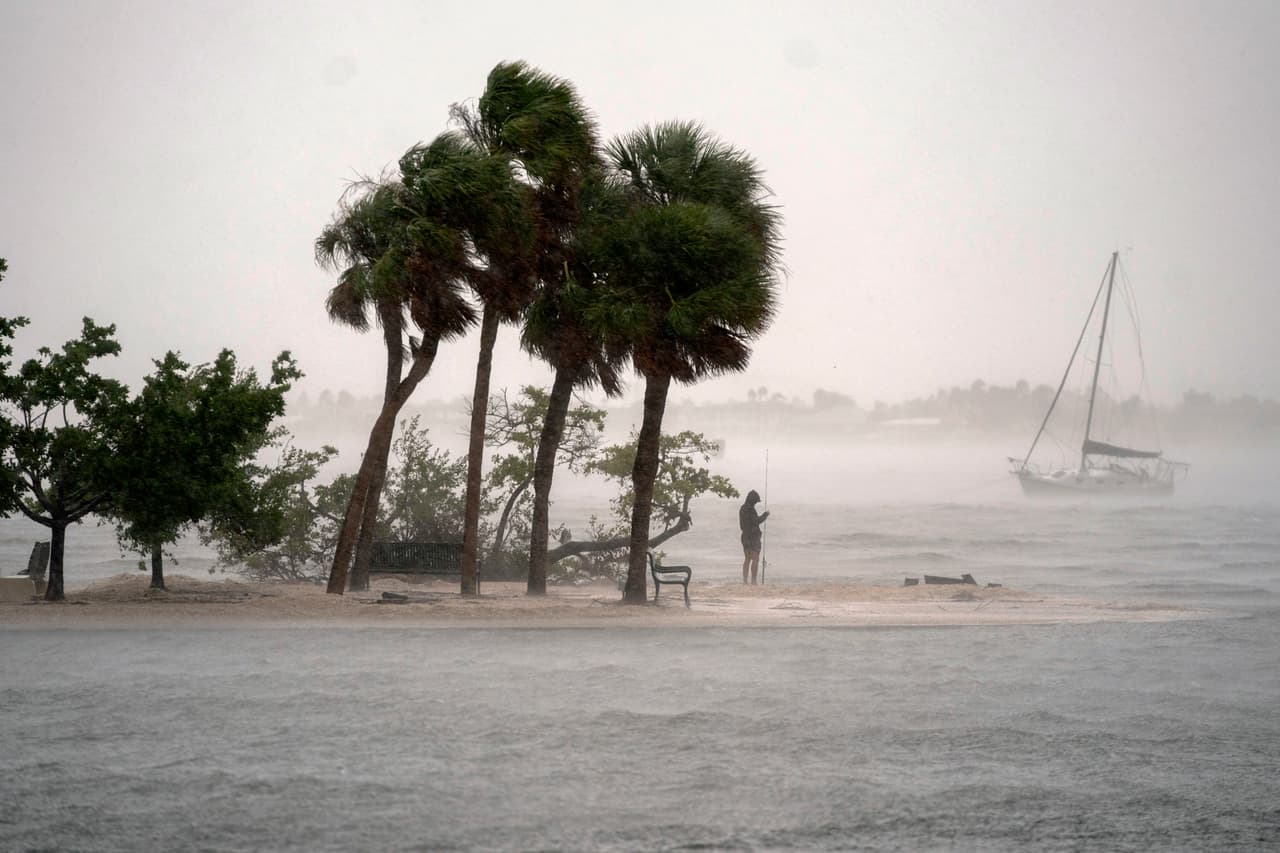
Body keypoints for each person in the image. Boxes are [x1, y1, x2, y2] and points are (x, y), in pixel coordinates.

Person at [739, 490, 770, 585]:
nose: (756, 503)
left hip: (745, 536)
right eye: (755, 501)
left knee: (747, 559)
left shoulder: (742, 508)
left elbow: (743, 525)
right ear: (752, 500)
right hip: (752, 537)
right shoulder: (750, 509)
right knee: (755, 558)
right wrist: (765, 515)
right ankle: (753, 581)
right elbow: (756, 521)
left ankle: (745, 581)